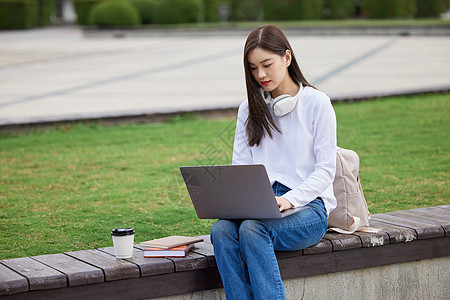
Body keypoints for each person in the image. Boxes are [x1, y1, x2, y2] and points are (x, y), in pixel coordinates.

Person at [210, 25, 337, 300]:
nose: (261, 75)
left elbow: (326, 170)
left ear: (287, 58)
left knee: (253, 229)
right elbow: (241, 168)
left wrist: (290, 199)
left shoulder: (318, 103)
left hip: (308, 207)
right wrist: (237, 202)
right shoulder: (249, 109)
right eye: (253, 68)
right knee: (221, 230)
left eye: (266, 65)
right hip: (260, 203)